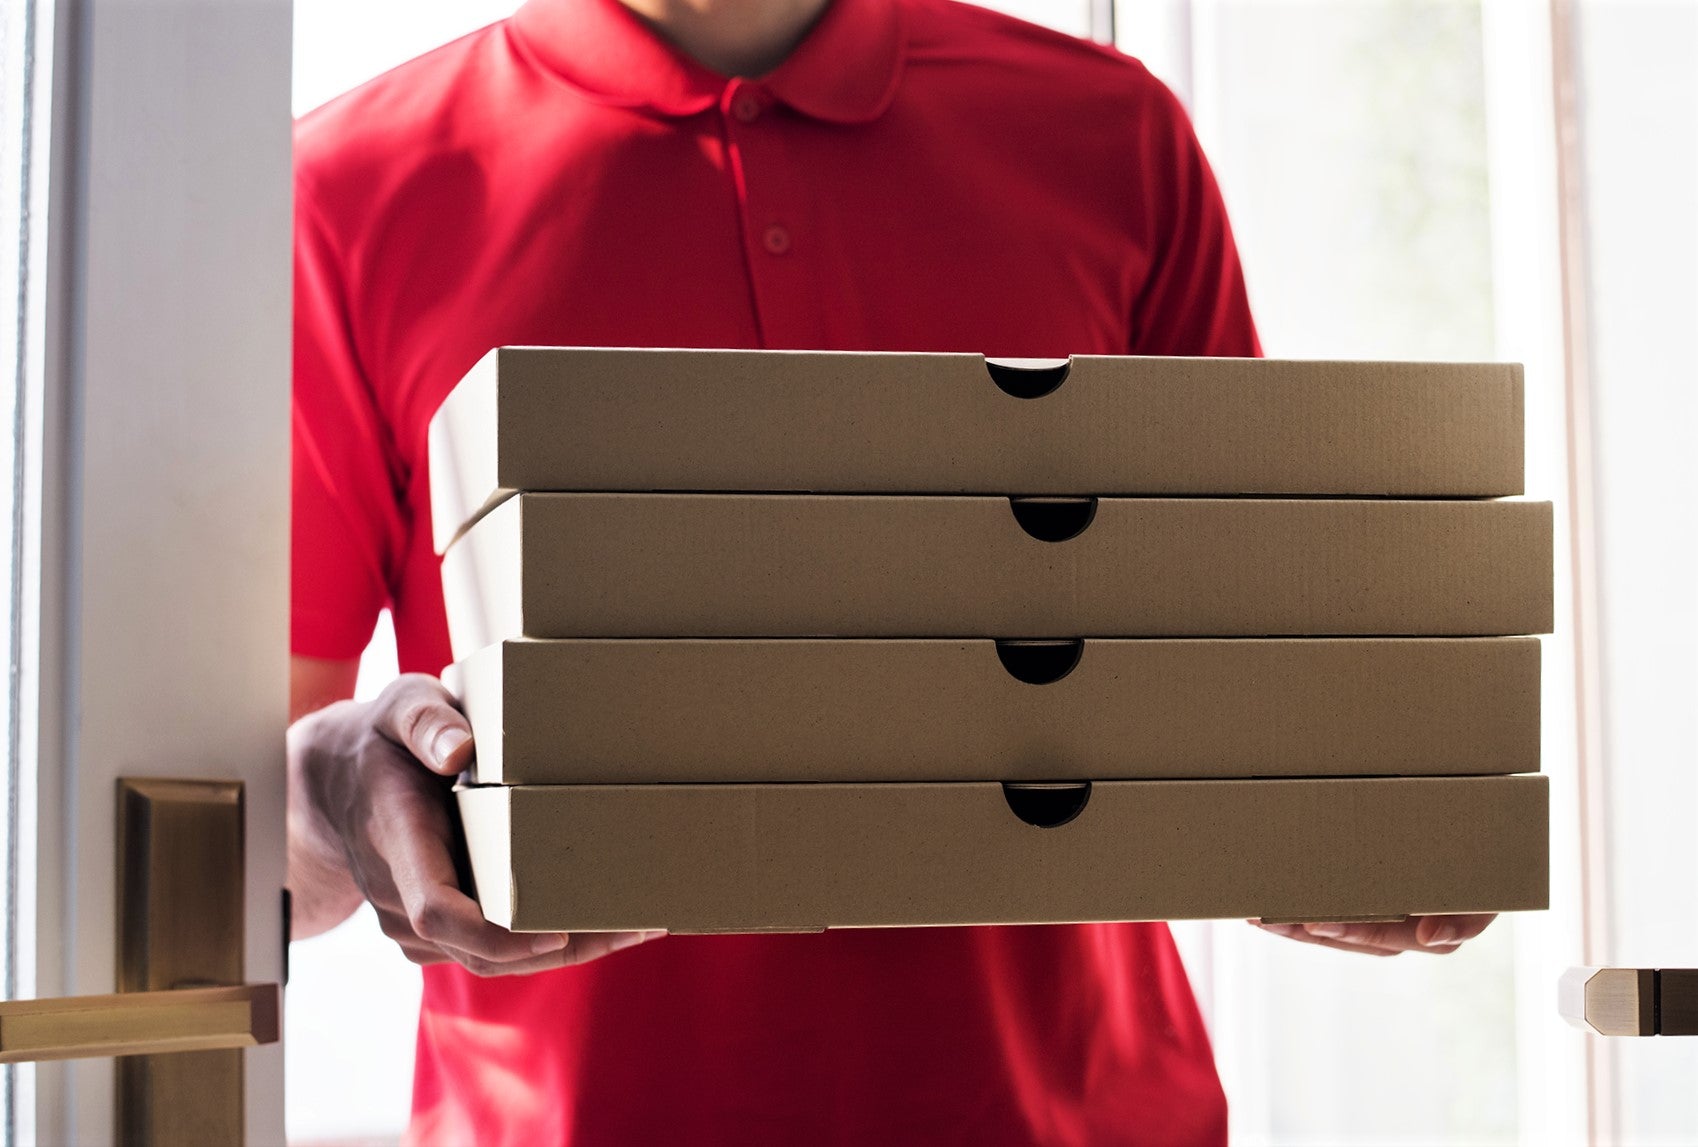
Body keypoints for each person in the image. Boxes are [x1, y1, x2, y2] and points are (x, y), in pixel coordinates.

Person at [286, 0, 1498, 1142]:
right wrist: (332, 788)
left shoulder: (1113, 136)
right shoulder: (346, 188)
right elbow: (243, 860)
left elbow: (1239, 663)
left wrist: (1376, 805)